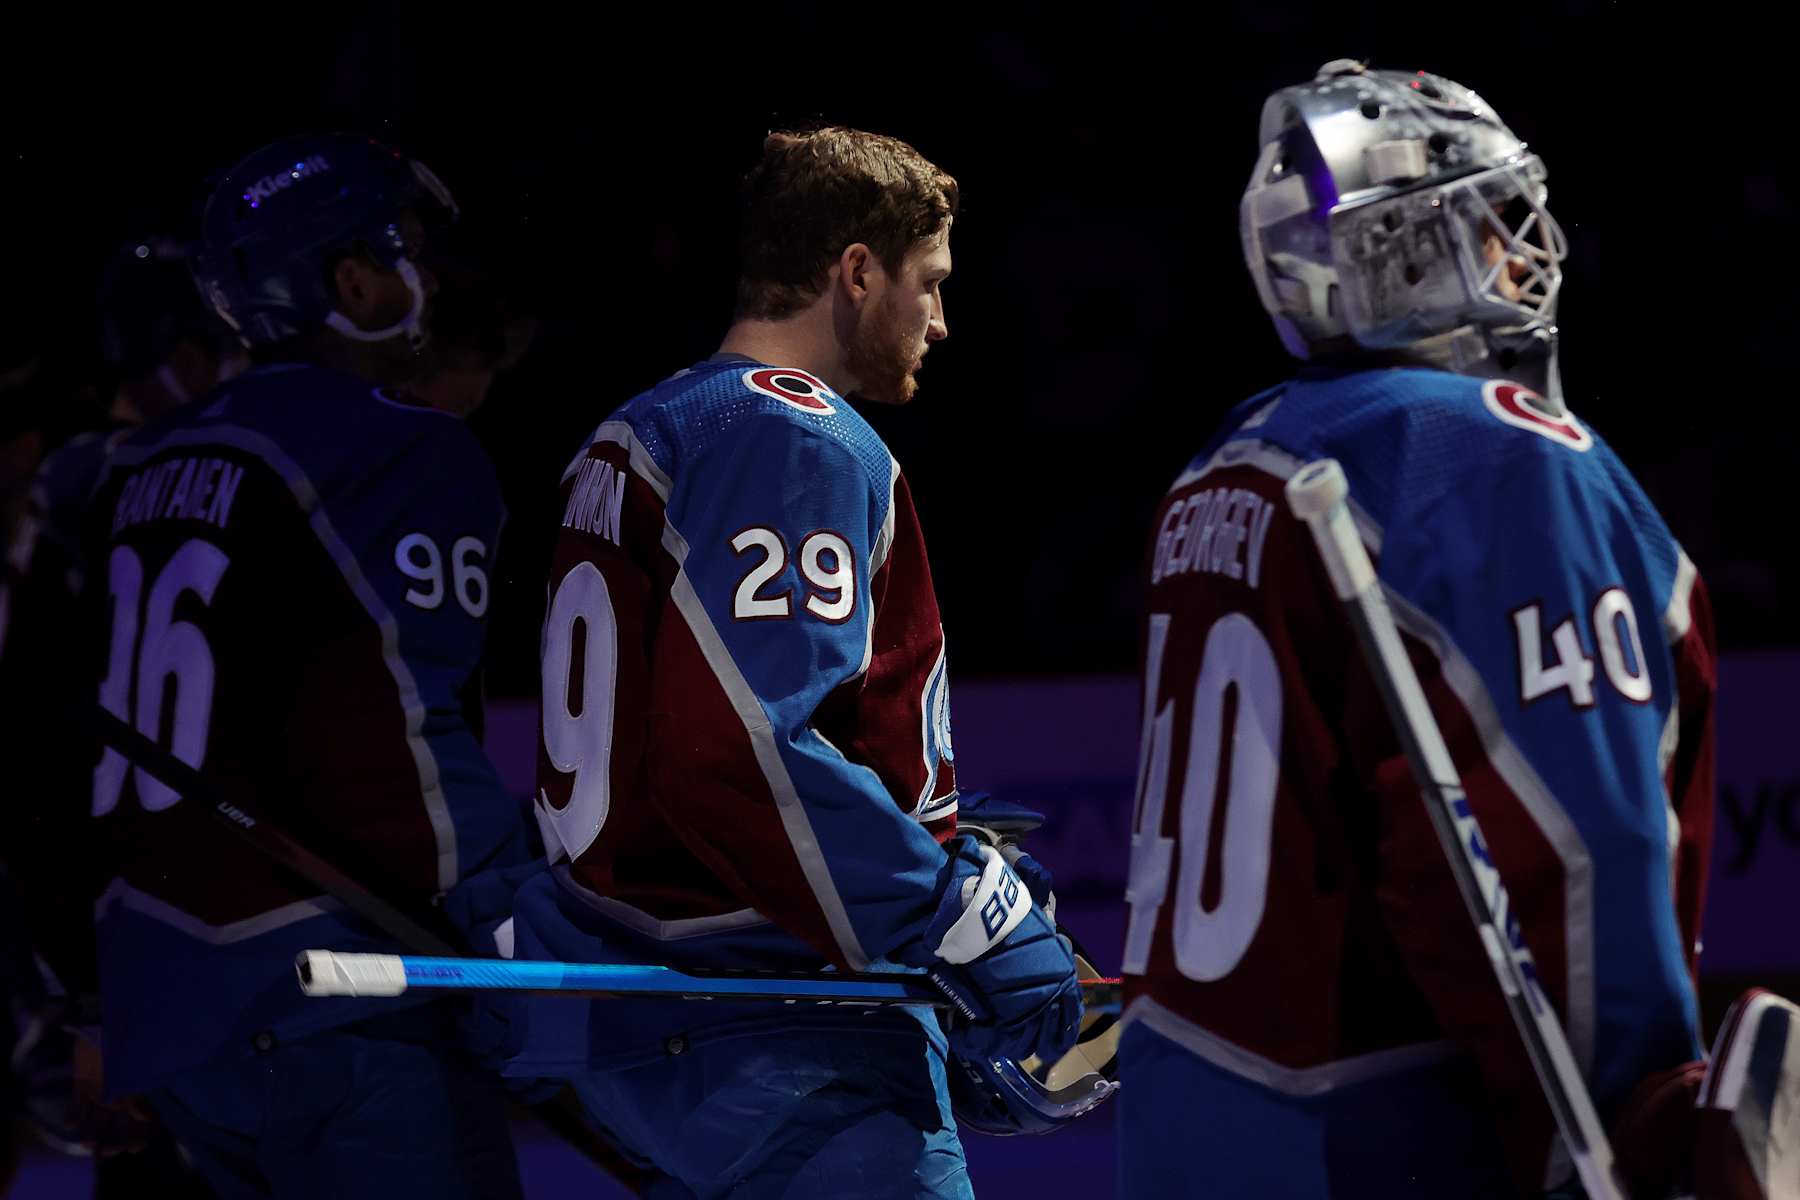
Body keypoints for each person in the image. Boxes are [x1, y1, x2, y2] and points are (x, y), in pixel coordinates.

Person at [1117, 60, 1754, 1198]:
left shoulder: (1219, 465)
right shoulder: (1490, 455)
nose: (1526, 253)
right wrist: (1642, 1130)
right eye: (1494, 222)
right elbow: (1569, 844)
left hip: (1192, 1125)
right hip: (1393, 1138)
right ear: (1409, 248)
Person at [499, 125, 1084, 1198]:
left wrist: (922, 826)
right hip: (777, 1024)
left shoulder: (645, 424)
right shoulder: (790, 434)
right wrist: (951, 910)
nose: (943, 322)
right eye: (931, 282)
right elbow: (739, 750)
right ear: (856, 272)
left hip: (657, 1022)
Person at [80, 133, 531, 1199]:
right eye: (407, 251)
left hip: (176, 1023)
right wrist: (521, 922)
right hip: (346, 1008)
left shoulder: (137, 469)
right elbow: (395, 736)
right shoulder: (399, 445)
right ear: (354, 280)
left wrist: (94, 1002)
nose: (424, 279)